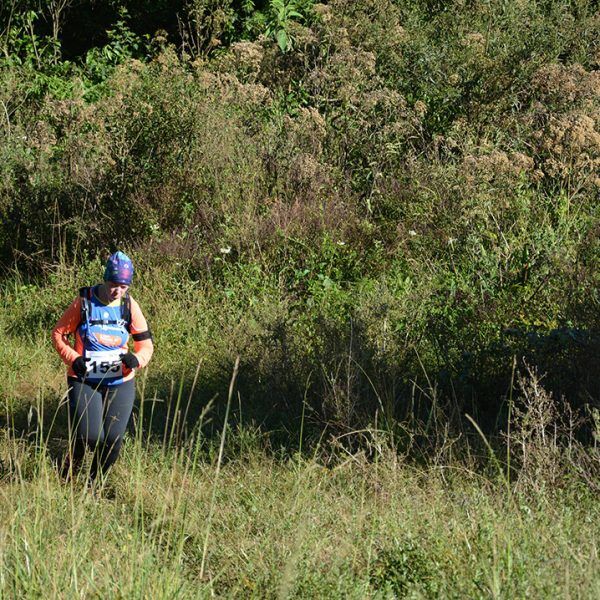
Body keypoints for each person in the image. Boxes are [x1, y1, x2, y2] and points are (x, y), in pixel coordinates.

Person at [52, 251, 153, 482]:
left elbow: (146, 345)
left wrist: (136, 360)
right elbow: (58, 334)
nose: (117, 291)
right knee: (90, 435)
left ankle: (93, 483)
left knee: (113, 440)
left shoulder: (129, 305)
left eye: (123, 286)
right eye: (113, 284)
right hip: (84, 379)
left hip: (121, 380)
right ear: (105, 278)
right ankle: (72, 461)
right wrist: (73, 358)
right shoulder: (84, 301)